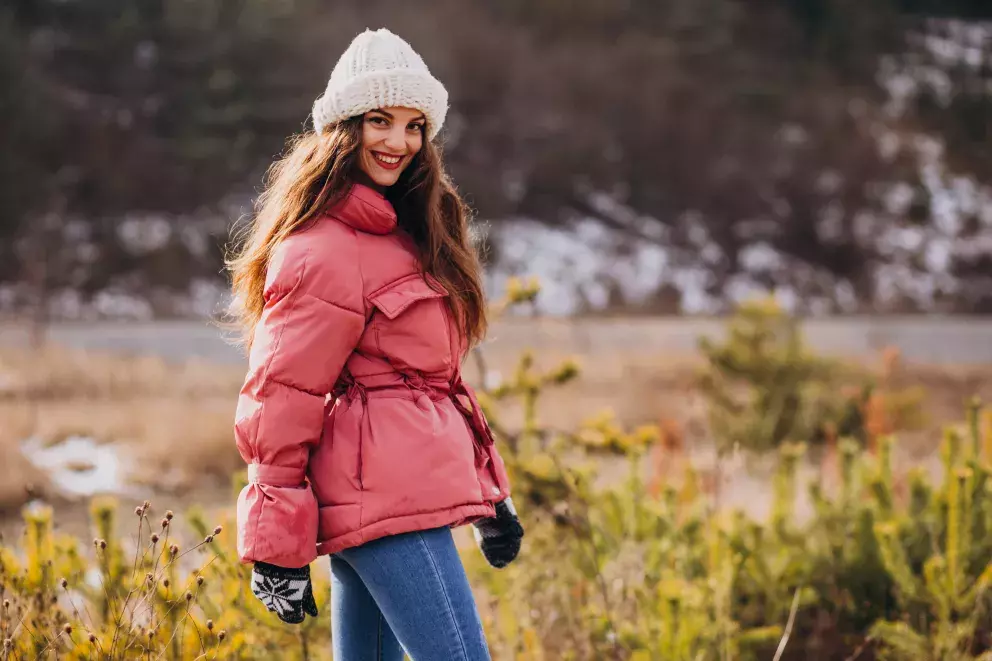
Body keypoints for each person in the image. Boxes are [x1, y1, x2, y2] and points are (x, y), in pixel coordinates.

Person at [225, 27, 523, 661]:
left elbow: (433, 383)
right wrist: (274, 548)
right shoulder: (322, 247)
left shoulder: (405, 236)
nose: (399, 142)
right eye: (380, 120)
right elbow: (282, 395)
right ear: (342, 128)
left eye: (415, 125)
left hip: (394, 495)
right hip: (383, 502)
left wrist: (491, 493)